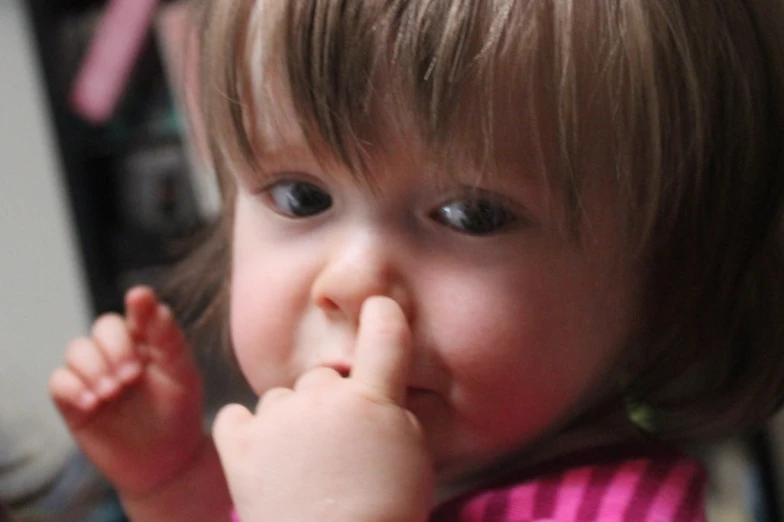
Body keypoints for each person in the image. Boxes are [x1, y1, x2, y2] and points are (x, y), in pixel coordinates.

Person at [48, 0, 784, 520]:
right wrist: (173, 485)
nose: (352, 281)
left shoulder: (619, 510)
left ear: (666, 271)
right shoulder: (305, 460)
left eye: (473, 214)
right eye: (301, 196)